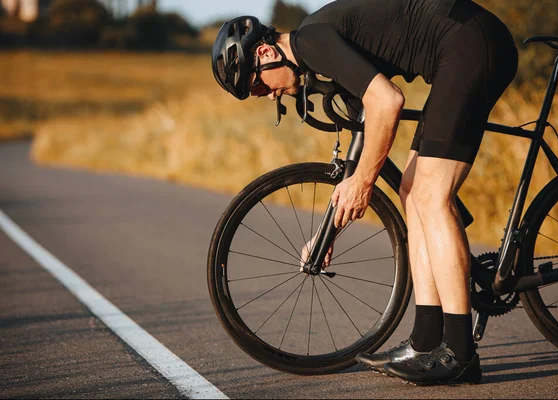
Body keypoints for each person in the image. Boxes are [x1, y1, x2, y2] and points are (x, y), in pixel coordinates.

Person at [211, 0, 518, 385]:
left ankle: (460, 353)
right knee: (411, 190)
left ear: (266, 52)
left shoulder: (311, 41)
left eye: (257, 84)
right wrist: (327, 234)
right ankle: (425, 342)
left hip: (471, 40)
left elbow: (387, 102)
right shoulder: (316, 54)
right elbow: (364, 140)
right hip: (458, 48)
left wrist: (364, 183)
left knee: (429, 195)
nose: (268, 95)